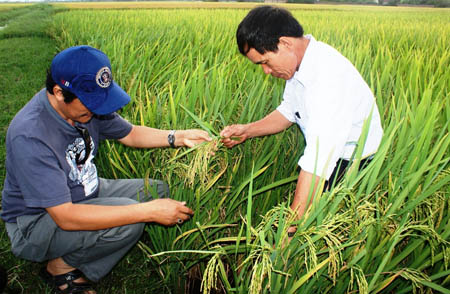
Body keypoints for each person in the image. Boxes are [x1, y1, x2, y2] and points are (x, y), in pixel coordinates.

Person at [1, 45, 211, 294]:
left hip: (84, 189)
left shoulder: (87, 109)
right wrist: (145, 212)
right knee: (132, 220)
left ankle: (104, 238)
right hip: (37, 223)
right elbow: (65, 216)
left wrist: (178, 136)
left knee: (156, 190)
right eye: (90, 103)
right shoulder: (30, 135)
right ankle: (60, 268)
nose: (97, 110)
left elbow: (130, 133)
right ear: (59, 92)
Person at [221, 6, 383, 224]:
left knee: (327, 227)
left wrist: (290, 228)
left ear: (285, 43)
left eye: (265, 62)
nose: (266, 72)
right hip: (329, 159)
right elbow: (289, 111)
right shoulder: (299, 64)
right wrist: (247, 130)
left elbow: (318, 161)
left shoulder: (327, 80)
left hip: (354, 166)